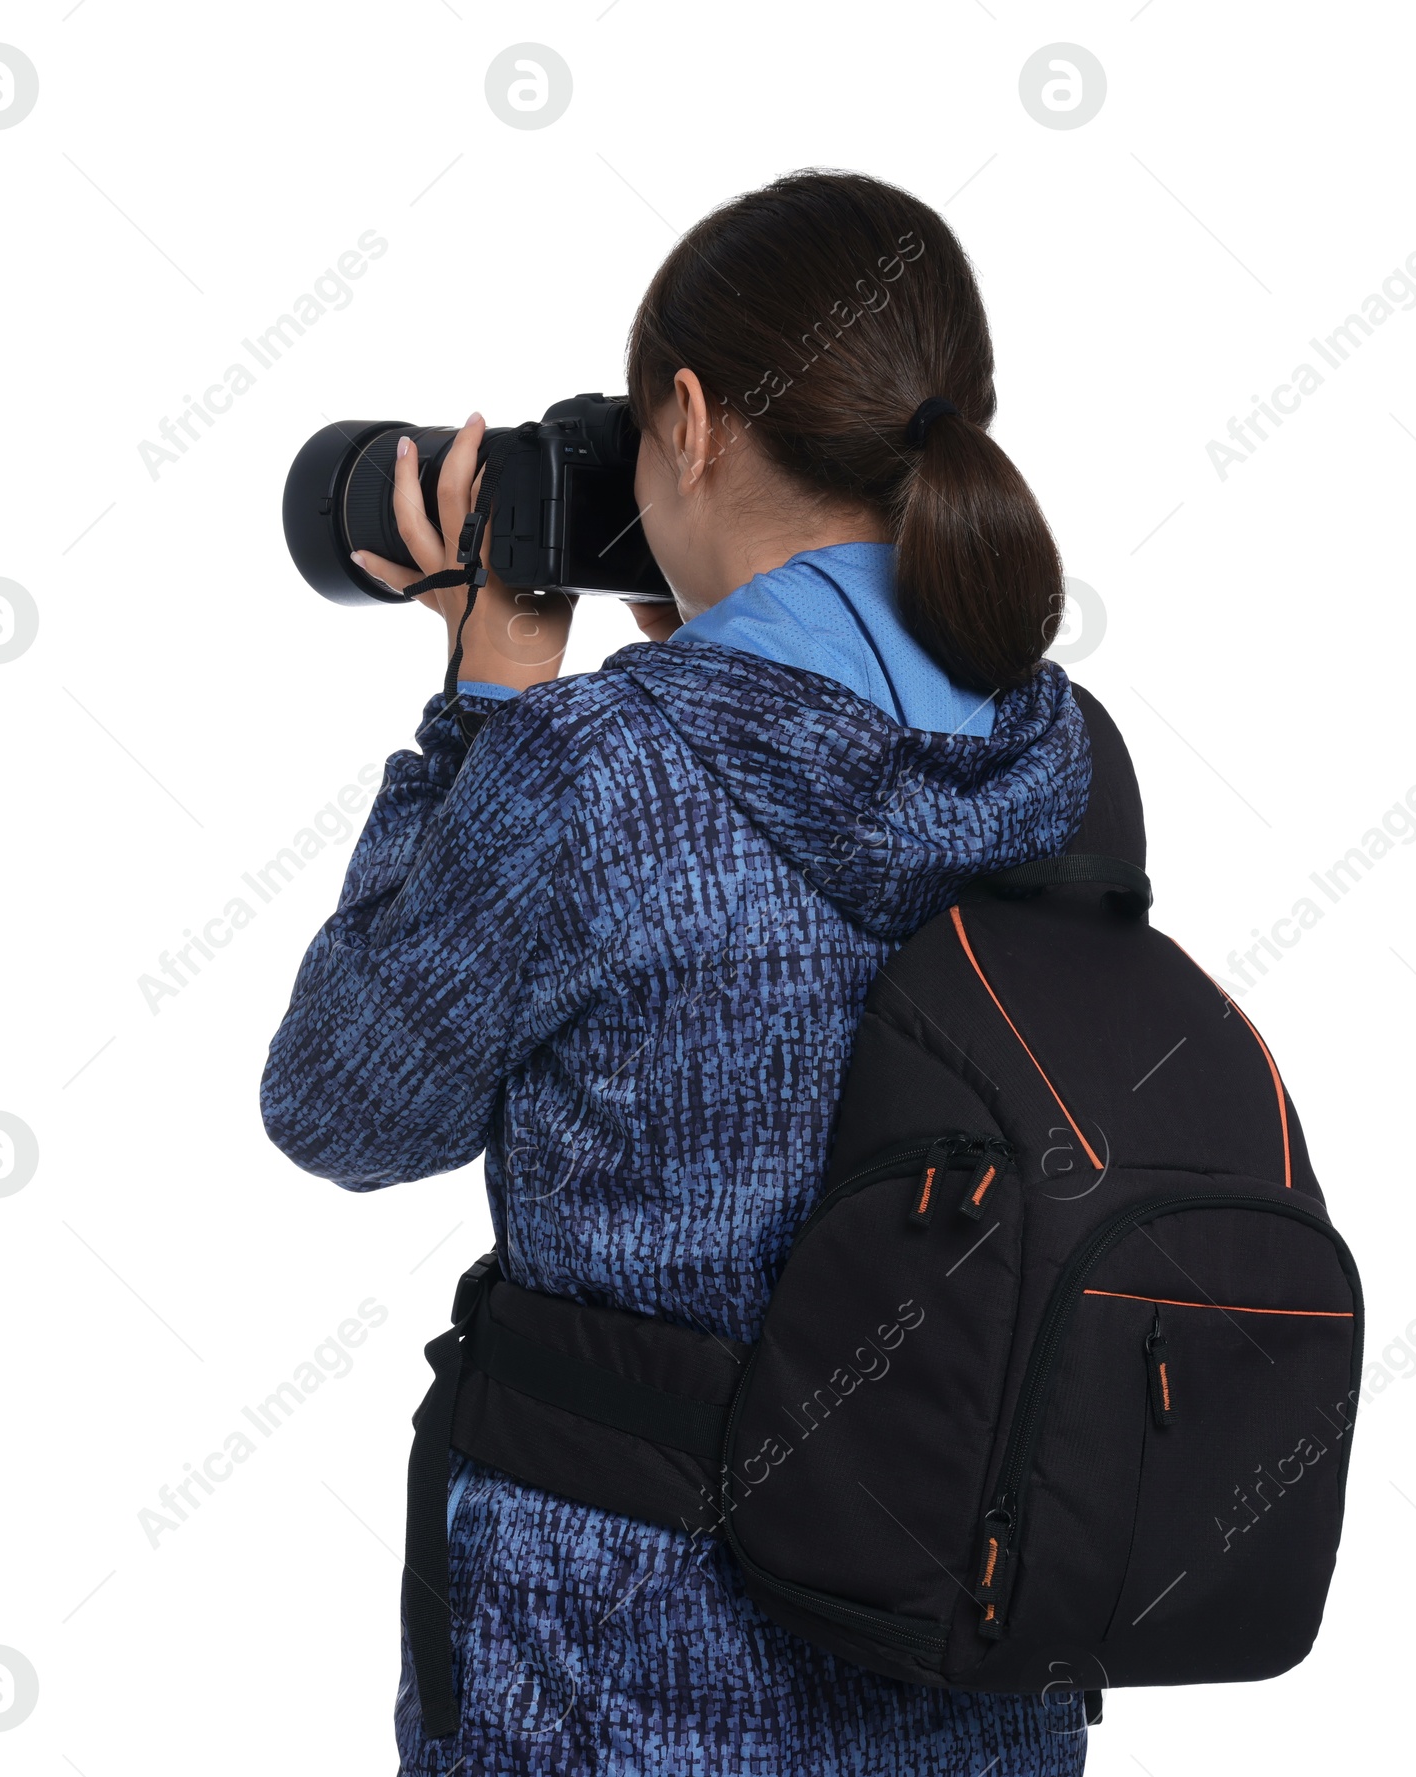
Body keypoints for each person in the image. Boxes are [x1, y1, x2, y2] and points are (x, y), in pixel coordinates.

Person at [262, 168, 1093, 1776]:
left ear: (692, 423)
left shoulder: (594, 772)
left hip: (613, 1688)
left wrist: (492, 696)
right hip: (976, 1670)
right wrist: (704, 632)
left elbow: (339, 1104)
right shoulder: (1062, 752)